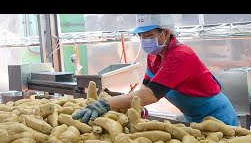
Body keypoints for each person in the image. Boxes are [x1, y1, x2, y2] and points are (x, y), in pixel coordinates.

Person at [73, 14, 238, 125]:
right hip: (194, 119)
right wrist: (135, 106)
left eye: (149, 36)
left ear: (165, 34)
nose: (144, 41)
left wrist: (106, 104)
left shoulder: (180, 56)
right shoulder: (154, 56)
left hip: (218, 118)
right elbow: (145, 88)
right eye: (141, 36)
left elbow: (150, 95)